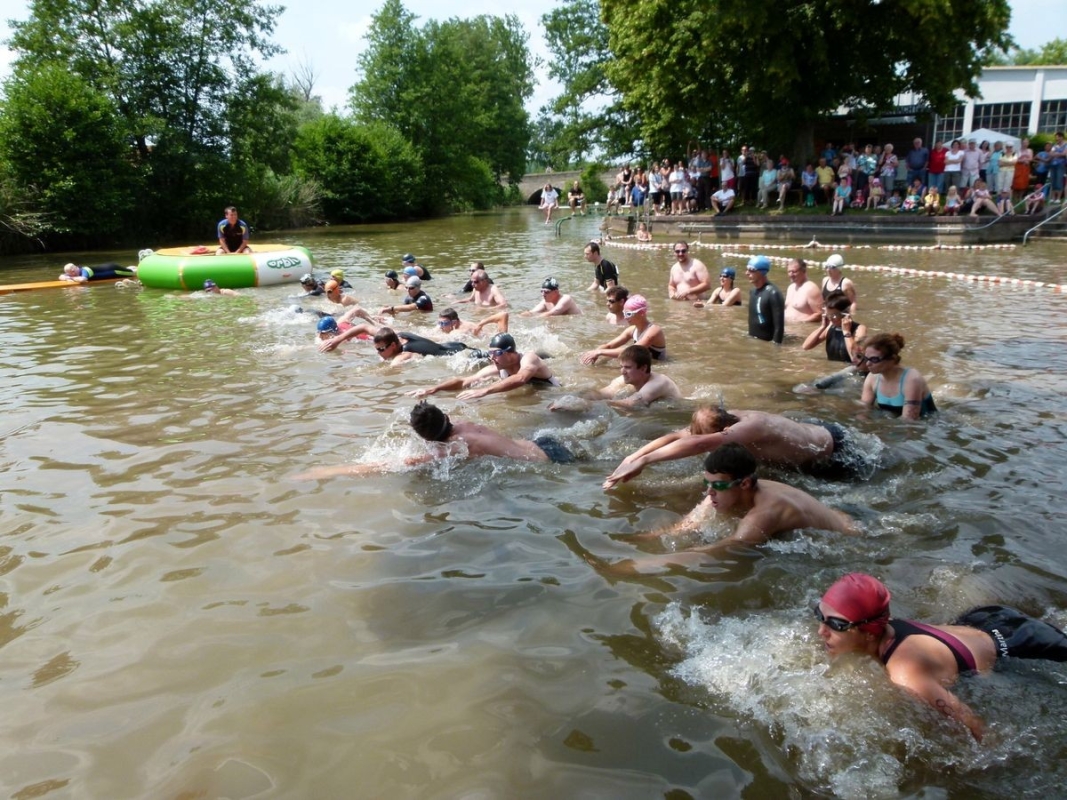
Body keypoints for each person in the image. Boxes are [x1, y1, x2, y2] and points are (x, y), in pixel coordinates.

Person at [814, 572, 1067, 742]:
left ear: (869, 633)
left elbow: (974, 726)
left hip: (1014, 643)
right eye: (820, 615)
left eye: (836, 624)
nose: (821, 631)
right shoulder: (884, 626)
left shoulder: (906, 673)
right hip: (982, 618)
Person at [607, 444, 857, 572]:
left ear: (745, 483)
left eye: (716, 486)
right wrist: (630, 541)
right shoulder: (726, 489)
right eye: (707, 483)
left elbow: (715, 550)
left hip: (850, 535)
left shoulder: (763, 515)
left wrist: (643, 565)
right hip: (835, 512)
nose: (708, 492)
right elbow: (685, 526)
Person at [603, 406, 870, 489]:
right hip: (807, 436)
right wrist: (634, 456)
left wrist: (646, 462)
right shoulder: (722, 419)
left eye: (712, 441)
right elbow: (677, 436)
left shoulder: (749, 427)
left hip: (834, 450)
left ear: (723, 431)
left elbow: (696, 443)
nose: (710, 450)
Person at [294, 401, 575, 479]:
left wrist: (332, 471)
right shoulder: (463, 425)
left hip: (552, 464)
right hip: (544, 443)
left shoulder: (458, 447)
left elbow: (401, 463)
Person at [408, 333, 559, 401]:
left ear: (511, 353)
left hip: (553, 395)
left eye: (497, 353)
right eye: (490, 353)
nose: (492, 358)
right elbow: (464, 381)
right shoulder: (498, 368)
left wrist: (485, 390)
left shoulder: (529, 359)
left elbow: (520, 378)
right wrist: (434, 389)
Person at [555, 345, 680, 411]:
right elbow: (601, 393)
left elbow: (632, 403)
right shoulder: (625, 379)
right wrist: (576, 399)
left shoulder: (658, 383)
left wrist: (587, 405)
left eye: (628, 367)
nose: (622, 371)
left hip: (676, 408)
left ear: (643, 368)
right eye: (621, 366)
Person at [860, 332, 936, 419]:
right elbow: (863, 412)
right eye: (866, 358)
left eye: (874, 359)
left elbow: (909, 422)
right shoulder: (872, 378)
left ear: (892, 359)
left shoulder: (912, 380)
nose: (868, 364)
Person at [580, 294, 666, 364]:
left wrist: (600, 352)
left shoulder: (654, 331)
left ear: (642, 313)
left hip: (659, 366)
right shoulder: (632, 330)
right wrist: (593, 353)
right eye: (624, 313)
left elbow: (631, 352)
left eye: (628, 314)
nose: (625, 317)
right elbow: (609, 346)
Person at [802, 291, 867, 365]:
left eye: (834, 315)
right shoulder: (830, 327)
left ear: (845, 313)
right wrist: (822, 327)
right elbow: (806, 346)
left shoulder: (859, 329)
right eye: (828, 315)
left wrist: (846, 332)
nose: (831, 319)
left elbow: (856, 358)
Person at [746, 256, 785, 344]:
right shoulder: (753, 292)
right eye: (747, 269)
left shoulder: (773, 293)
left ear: (761, 272)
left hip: (766, 343)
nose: (747, 273)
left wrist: (774, 349)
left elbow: (779, 327)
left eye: (751, 270)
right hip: (753, 342)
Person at [784, 259, 823, 323]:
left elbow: (820, 314)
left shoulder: (811, 288)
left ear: (803, 271)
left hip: (802, 330)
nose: (791, 275)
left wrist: (801, 322)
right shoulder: (790, 287)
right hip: (788, 329)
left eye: (794, 272)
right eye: (789, 272)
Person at [57, 262, 135, 282]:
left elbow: (83, 280)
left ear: (76, 267)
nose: (73, 273)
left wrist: (70, 278)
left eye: (73, 271)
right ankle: (130, 267)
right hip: (107, 267)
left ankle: (133, 269)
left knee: (132, 274)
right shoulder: (73, 272)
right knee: (128, 269)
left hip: (115, 271)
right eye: (71, 272)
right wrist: (67, 277)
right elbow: (61, 276)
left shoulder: (85, 270)